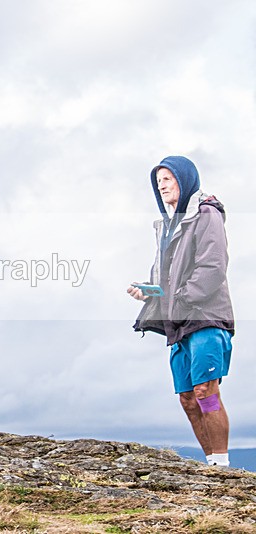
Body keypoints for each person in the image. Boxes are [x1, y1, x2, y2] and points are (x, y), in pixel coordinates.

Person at [129, 156, 235, 467]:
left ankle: (223, 466)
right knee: (188, 398)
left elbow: (213, 267)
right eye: (158, 180)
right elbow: (165, 277)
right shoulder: (167, 226)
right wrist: (149, 290)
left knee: (206, 391)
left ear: (185, 180)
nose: (162, 185)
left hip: (206, 318)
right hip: (179, 323)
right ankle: (211, 463)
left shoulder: (206, 214)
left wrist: (182, 296)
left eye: (168, 179)